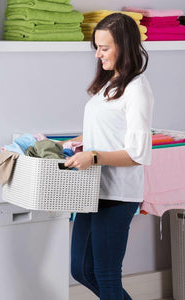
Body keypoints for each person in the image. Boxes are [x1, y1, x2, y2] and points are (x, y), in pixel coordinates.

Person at [63, 13, 154, 299]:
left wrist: (94, 156)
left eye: (104, 48)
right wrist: (75, 142)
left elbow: (137, 153)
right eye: (97, 47)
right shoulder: (107, 85)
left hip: (118, 195)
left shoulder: (137, 89)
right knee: (80, 270)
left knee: (106, 274)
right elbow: (107, 130)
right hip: (93, 190)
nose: (98, 54)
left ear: (124, 46)